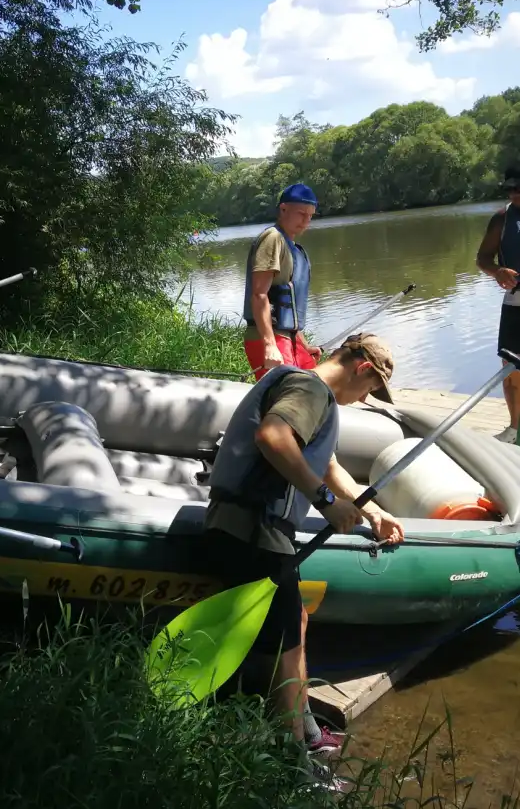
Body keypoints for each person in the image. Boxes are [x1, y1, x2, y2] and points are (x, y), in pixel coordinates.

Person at [201, 334, 406, 785]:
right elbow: (273, 436)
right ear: (362, 368)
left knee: (297, 625)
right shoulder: (309, 389)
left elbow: (327, 464)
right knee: (288, 649)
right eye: (370, 388)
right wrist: (327, 502)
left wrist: (372, 511)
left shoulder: (309, 393)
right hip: (251, 530)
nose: (365, 398)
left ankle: (307, 731)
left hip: (256, 531)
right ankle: (294, 764)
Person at [243, 183, 321, 380]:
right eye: (301, 213)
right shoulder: (273, 238)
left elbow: (289, 308)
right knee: (289, 396)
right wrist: (269, 345)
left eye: (311, 215)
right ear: (283, 209)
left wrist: (304, 346)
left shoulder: (292, 246)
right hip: (270, 338)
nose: (306, 221)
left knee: (316, 384)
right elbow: (259, 294)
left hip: (289, 338)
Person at [476, 166, 520, 443]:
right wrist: (498, 272)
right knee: (512, 370)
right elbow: (482, 258)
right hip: (515, 304)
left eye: (519, 188)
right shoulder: (502, 219)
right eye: (510, 188)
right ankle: (515, 429)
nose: (514, 193)